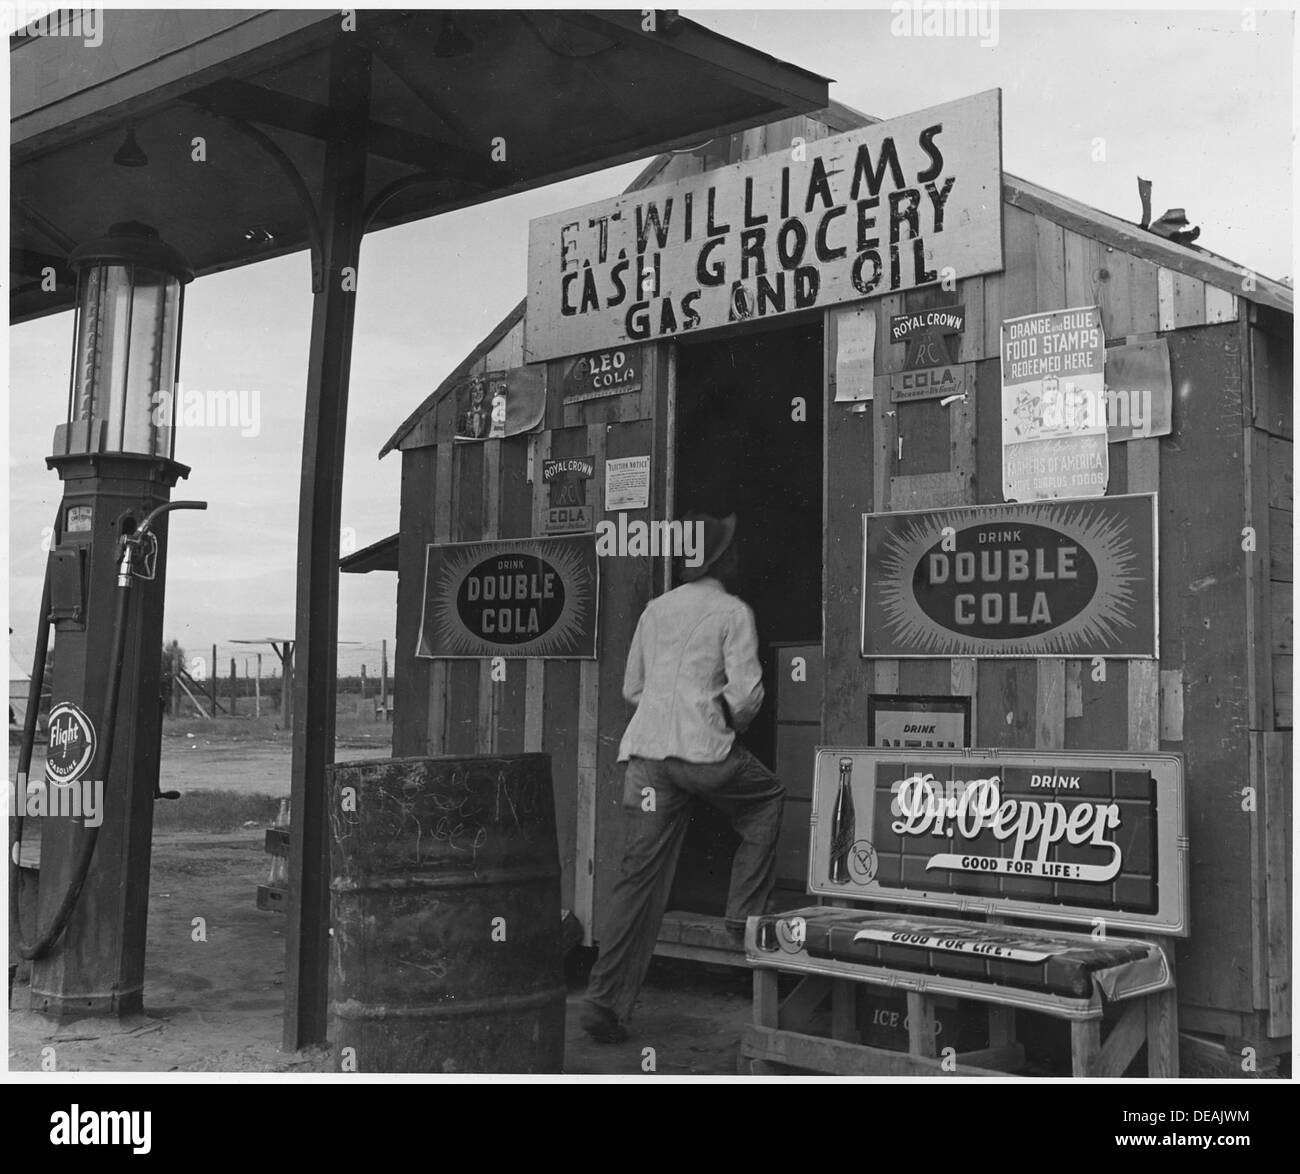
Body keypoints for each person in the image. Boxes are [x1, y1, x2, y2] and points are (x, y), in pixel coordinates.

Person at [579, 512, 785, 1044]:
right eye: (735, 551)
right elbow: (746, 697)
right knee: (767, 800)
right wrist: (729, 725)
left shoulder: (656, 608)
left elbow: (632, 689)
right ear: (722, 560)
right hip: (703, 758)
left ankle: (603, 1001)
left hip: (647, 763)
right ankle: (742, 919)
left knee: (636, 879)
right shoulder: (733, 611)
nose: (740, 558)